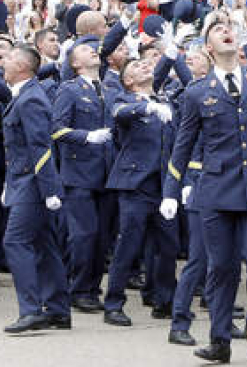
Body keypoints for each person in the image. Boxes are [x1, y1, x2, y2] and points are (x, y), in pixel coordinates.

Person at [160, 20, 247, 364]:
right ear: (208, 47)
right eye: (218, 29)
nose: (226, 30)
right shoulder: (197, 92)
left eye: (230, 27)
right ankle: (220, 340)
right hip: (217, 189)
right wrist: (171, 190)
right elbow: (183, 145)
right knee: (221, 268)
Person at [102, 55, 179, 324]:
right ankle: (113, 304)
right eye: (136, 66)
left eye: (146, 64)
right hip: (136, 185)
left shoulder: (165, 101)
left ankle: (164, 300)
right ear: (128, 80)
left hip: (164, 185)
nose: (144, 65)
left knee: (168, 246)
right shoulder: (124, 99)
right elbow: (119, 113)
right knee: (128, 245)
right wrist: (147, 108)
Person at [0, 44, 70, 333]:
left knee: (15, 242)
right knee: (43, 244)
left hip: (32, 183)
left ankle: (31, 310)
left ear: (22, 67)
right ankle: (58, 310)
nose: (3, 62)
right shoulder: (23, 95)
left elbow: (40, 146)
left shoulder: (30, 98)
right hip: (24, 180)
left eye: (9, 58)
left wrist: (49, 189)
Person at [52, 43, 115, 314]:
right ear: (75, 63)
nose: (93, 51)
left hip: (107, 173)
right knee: (83, 235)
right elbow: (56, 129)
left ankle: (91, 288)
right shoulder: (70, 89)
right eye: (85, 50)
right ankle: (78, 289)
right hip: (79, 173)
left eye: (94, 49)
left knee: (102, 237)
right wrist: (86, 136)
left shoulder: (109, 90)